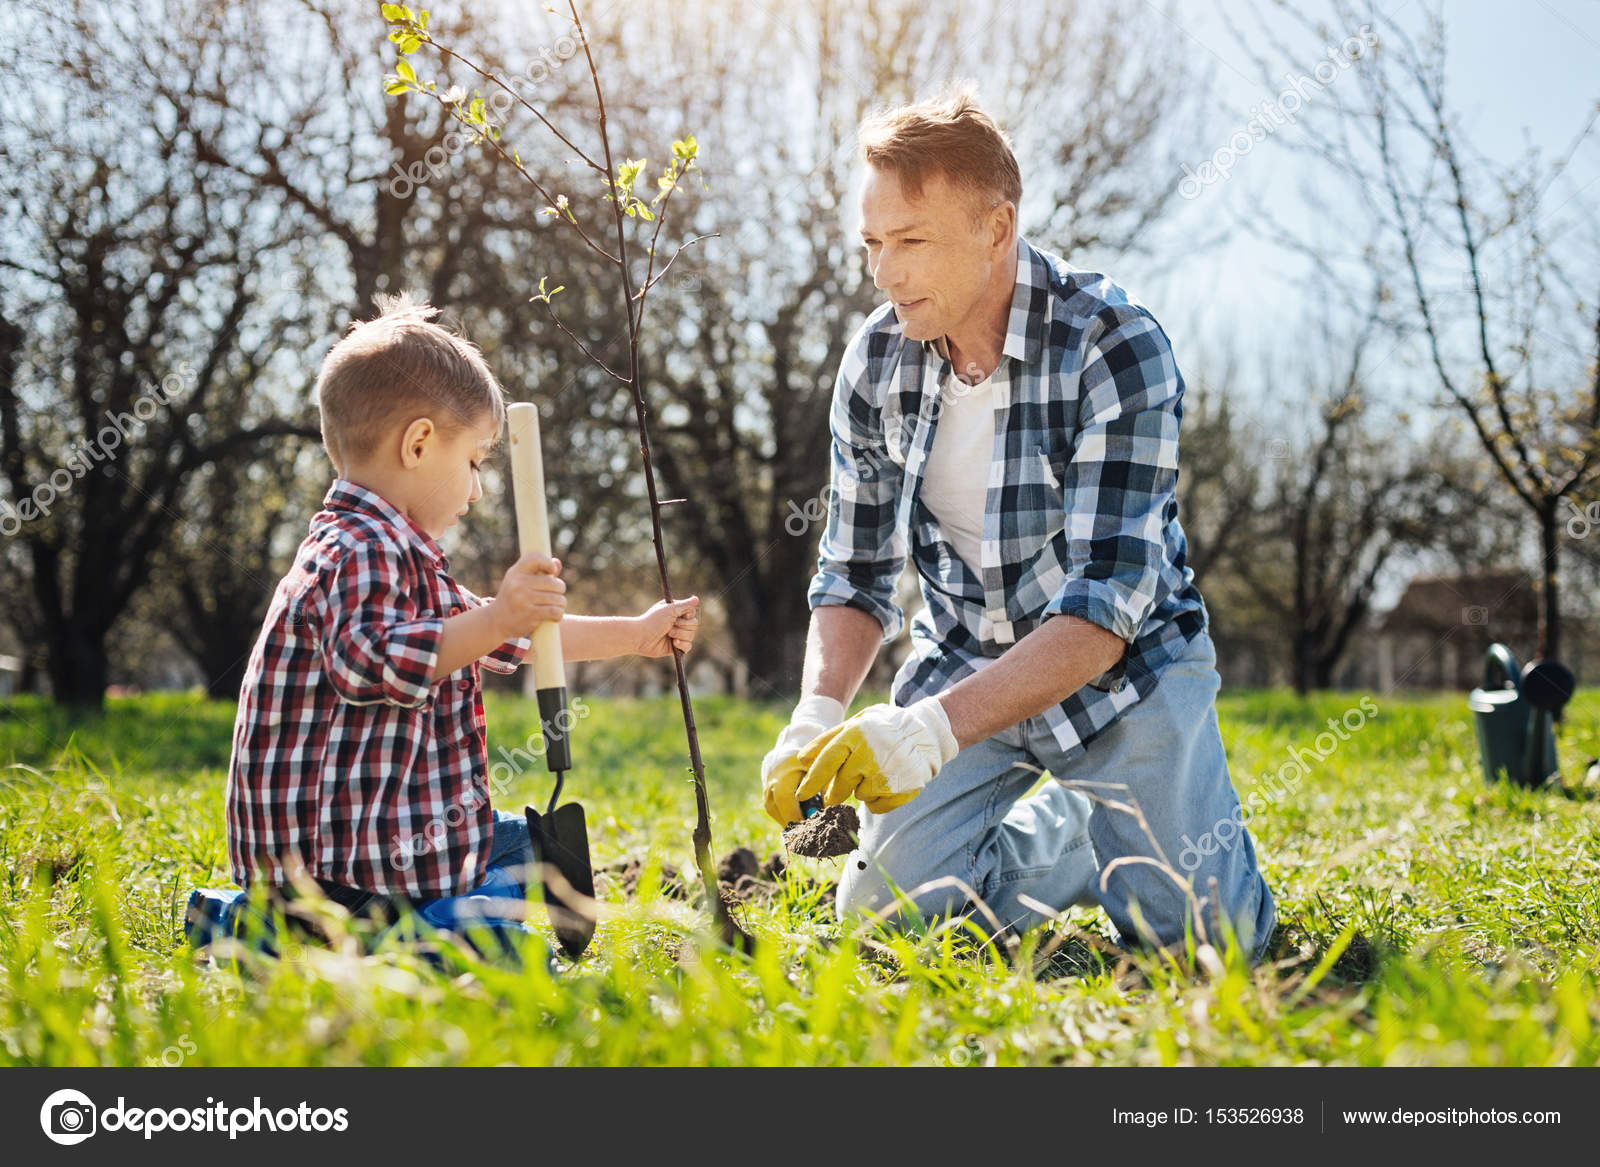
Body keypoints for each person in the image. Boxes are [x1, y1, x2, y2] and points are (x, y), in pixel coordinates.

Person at [761, 89, 1275, 960]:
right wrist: (817, 711)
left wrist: (928, 730)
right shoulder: (877, 361)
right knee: (885, 921)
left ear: (997, 230)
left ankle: (1124, 822)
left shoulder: (1116, 345)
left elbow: (1103, 611)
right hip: (966, 656)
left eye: (910, 241)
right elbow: (854, 571)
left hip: (1125, 674)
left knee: (1205, 946)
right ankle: (1077, 834)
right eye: (873, 244)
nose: (883, 274)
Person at [224, 294, 699, 942]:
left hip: (376, 844)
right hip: (331, 879)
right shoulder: (353, 553)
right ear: (419, 443)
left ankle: (488, 884)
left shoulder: (402, 557)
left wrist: (636, 633)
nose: (477, 490)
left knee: (502, 840)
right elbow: (371, 662)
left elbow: (523, 640)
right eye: (474, 461)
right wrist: (500, 615)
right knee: (489, 940)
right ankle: (249, 927)